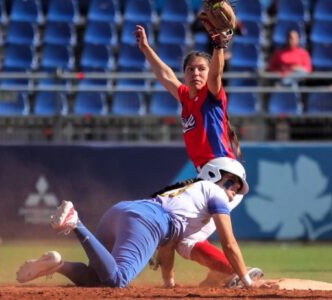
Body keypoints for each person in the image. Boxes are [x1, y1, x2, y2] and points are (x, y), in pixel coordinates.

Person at [16, 158, 264, 288]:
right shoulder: (215, 192)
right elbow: (229, 243)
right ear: (214, 175)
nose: (234, 192)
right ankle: (76, 223)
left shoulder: (188, 192)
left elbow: (168, 246)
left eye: (238, 188)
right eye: (232, 183)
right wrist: (247, 281)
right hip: (149, 222)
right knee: (118, 280)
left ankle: (57, 265)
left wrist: (169, 282)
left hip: (123, 211)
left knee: (97, 279)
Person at [135, 25, 242, 170]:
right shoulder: (186, 96)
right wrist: (145, 48)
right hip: (207, 172)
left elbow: (216, 74)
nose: (196, 73)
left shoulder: (210, 94)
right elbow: (165, 75)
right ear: (184, 74)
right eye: (190, 69)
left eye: (202, 69)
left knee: (169, 194)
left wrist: (218, 46)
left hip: (222, 167)